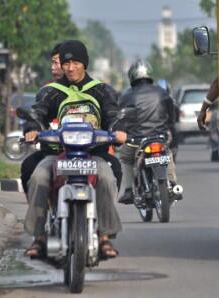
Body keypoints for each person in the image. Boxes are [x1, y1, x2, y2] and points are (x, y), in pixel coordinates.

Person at [23, 40, 126, 259]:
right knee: (38, 177)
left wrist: (118, 130)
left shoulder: (101, 90)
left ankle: (105, 236)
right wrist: (32, 129)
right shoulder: (51, 92)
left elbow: (112, 114)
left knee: (107, 178)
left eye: (75, 63)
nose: (70, 68)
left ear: (84, 64)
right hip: (57, 155)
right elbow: (37, 113)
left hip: (93, 155)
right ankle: (39, 237)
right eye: (66, 63)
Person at [117, 59, 178, 204]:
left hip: (136, 141)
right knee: (167, 153)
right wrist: (169, 130)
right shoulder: (162, 92)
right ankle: (173, 184)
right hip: (160, 137)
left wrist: (121, 132)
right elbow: (172, 116)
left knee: (125, 157)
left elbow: (120, 119)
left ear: (131, 76)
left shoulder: (127, 96)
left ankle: (128, 190)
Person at [20, 43, 63, 195]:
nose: (52, 67)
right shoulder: (46, 92)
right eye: (52, 62)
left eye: (56, 63)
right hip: (52, 152)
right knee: (28, 167)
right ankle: (37, 215)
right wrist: (32, 129)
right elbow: (36, 113)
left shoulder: (91, 90)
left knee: (112, 169)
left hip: (84, 154)